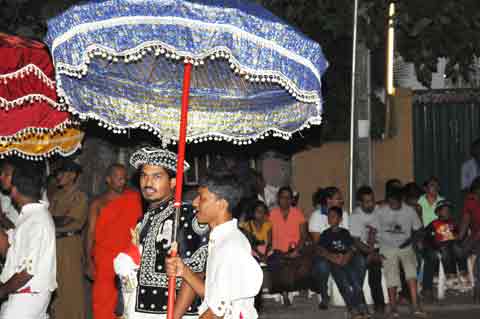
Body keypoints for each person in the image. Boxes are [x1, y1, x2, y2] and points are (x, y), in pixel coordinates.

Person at [115, 147, 209, 319]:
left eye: (157, 176)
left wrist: (174, 316)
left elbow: (195, 273)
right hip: (140, 311)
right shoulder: (143, 220)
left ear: (173, 182)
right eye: (144, 175)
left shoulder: (188, 215)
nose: (148, 183)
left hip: (176, 313)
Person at [165, 171, 263, 319]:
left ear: (222, 204)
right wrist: (184, 271)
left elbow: (216, 312)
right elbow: (214, 296)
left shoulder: (231, 245)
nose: (195, 202)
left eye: (202, 198)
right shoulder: (221, 239)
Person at [0, 161, 56, 318]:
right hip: (23, 296)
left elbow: (27, 272)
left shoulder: (37, 220)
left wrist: (3, 290)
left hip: (27, 297)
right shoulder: (30, 216)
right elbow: (9, 250)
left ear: (14, 191)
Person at [88, 164, 143, 319]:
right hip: (105, 260)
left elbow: (139, 227)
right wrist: (88, 260)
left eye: (124, 178)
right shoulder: (98, 204)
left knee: (128, 298)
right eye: (119, 178)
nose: (123, 181)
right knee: (103, 300)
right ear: (108, 179)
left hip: (128, 261)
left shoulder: (134, 198)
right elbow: (90, 233)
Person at [373, 186, 425, 318]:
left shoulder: (409, 211)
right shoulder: (381, 211)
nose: (393, 205)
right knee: (392, 276)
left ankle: (415, 305)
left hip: (405, 246)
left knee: (411, 272)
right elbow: (373, 231)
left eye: (395, 203)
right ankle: (393, 307)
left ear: (401, 200)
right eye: (390, 202)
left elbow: (419, 230)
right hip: (386, 246)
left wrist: (411, 241)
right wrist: (374, 249)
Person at [49, 159, 88, 319]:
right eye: (58, 173)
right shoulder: (56, 195)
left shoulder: (79, 196)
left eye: (62, 173)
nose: (58, 176)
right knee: (56, 285)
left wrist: (50, 218)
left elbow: (69, 221)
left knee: (71, 287)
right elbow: (52, 218)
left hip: (70, 245)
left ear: (72, 176)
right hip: (55, 244)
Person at [317, 206, 367, 319]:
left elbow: (352, 247)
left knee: (356, 283)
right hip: (334, 263)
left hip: (347, 261)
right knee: (343, 283)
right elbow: (320, 249)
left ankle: (361, 305)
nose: (330, 219)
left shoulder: (345, 233)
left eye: (333, 216)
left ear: (340, 219)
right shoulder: (325, 234)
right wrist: (333, 257)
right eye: (328, 216)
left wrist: (346, 257)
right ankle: (352, 308)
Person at [309, 186, 348, 309]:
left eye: (341, 199)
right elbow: (318, 244)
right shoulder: (316, 216)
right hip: (322, 252)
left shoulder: (344, 214)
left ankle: (354, 297)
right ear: (328, 201)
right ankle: (324, 295)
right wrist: (332, 257)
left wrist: (342, 255)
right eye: (338, 198)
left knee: (355, 262)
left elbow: (346, 238)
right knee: (323, 265)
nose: (341, 201)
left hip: (340, 250)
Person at [350, 186, 385, 314]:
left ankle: (379, 304)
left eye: (372, 200)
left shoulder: (379, 210)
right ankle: (360, 303)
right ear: (360, 203)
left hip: (378, 248)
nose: (371, 204)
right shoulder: (355, 216)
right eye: (367, 201)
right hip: (362, 249)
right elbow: (356, 241)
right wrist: (371, 253)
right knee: (361, 266)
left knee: (375, 271)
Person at [423, 200, 469, 289]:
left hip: (453, 244)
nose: (447, 212)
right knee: (445, 250)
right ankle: (450, 275)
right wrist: (433, 245)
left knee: (458, 248)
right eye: (444, 210)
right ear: (438, 212)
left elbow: (460, 234)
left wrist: (458, 237)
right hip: (441, 246)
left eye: (448, 210)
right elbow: (427, 237)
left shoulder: (454, 223)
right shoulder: (433, 224)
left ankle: (463, 272)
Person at [459, 176, 480, 303]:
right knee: (459, 250)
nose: (476, 196)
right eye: (475, 193)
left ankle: (478, 287)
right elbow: (466, 220)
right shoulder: (470, 201)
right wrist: (459, 238)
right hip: (475, 236)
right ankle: (464, 278)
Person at [0, 159, 19, 229]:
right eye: (1, 173)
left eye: (6, 174)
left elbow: (19, 232)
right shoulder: (3, 193)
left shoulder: (25, 200)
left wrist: (1, 217)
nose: (1, 177)